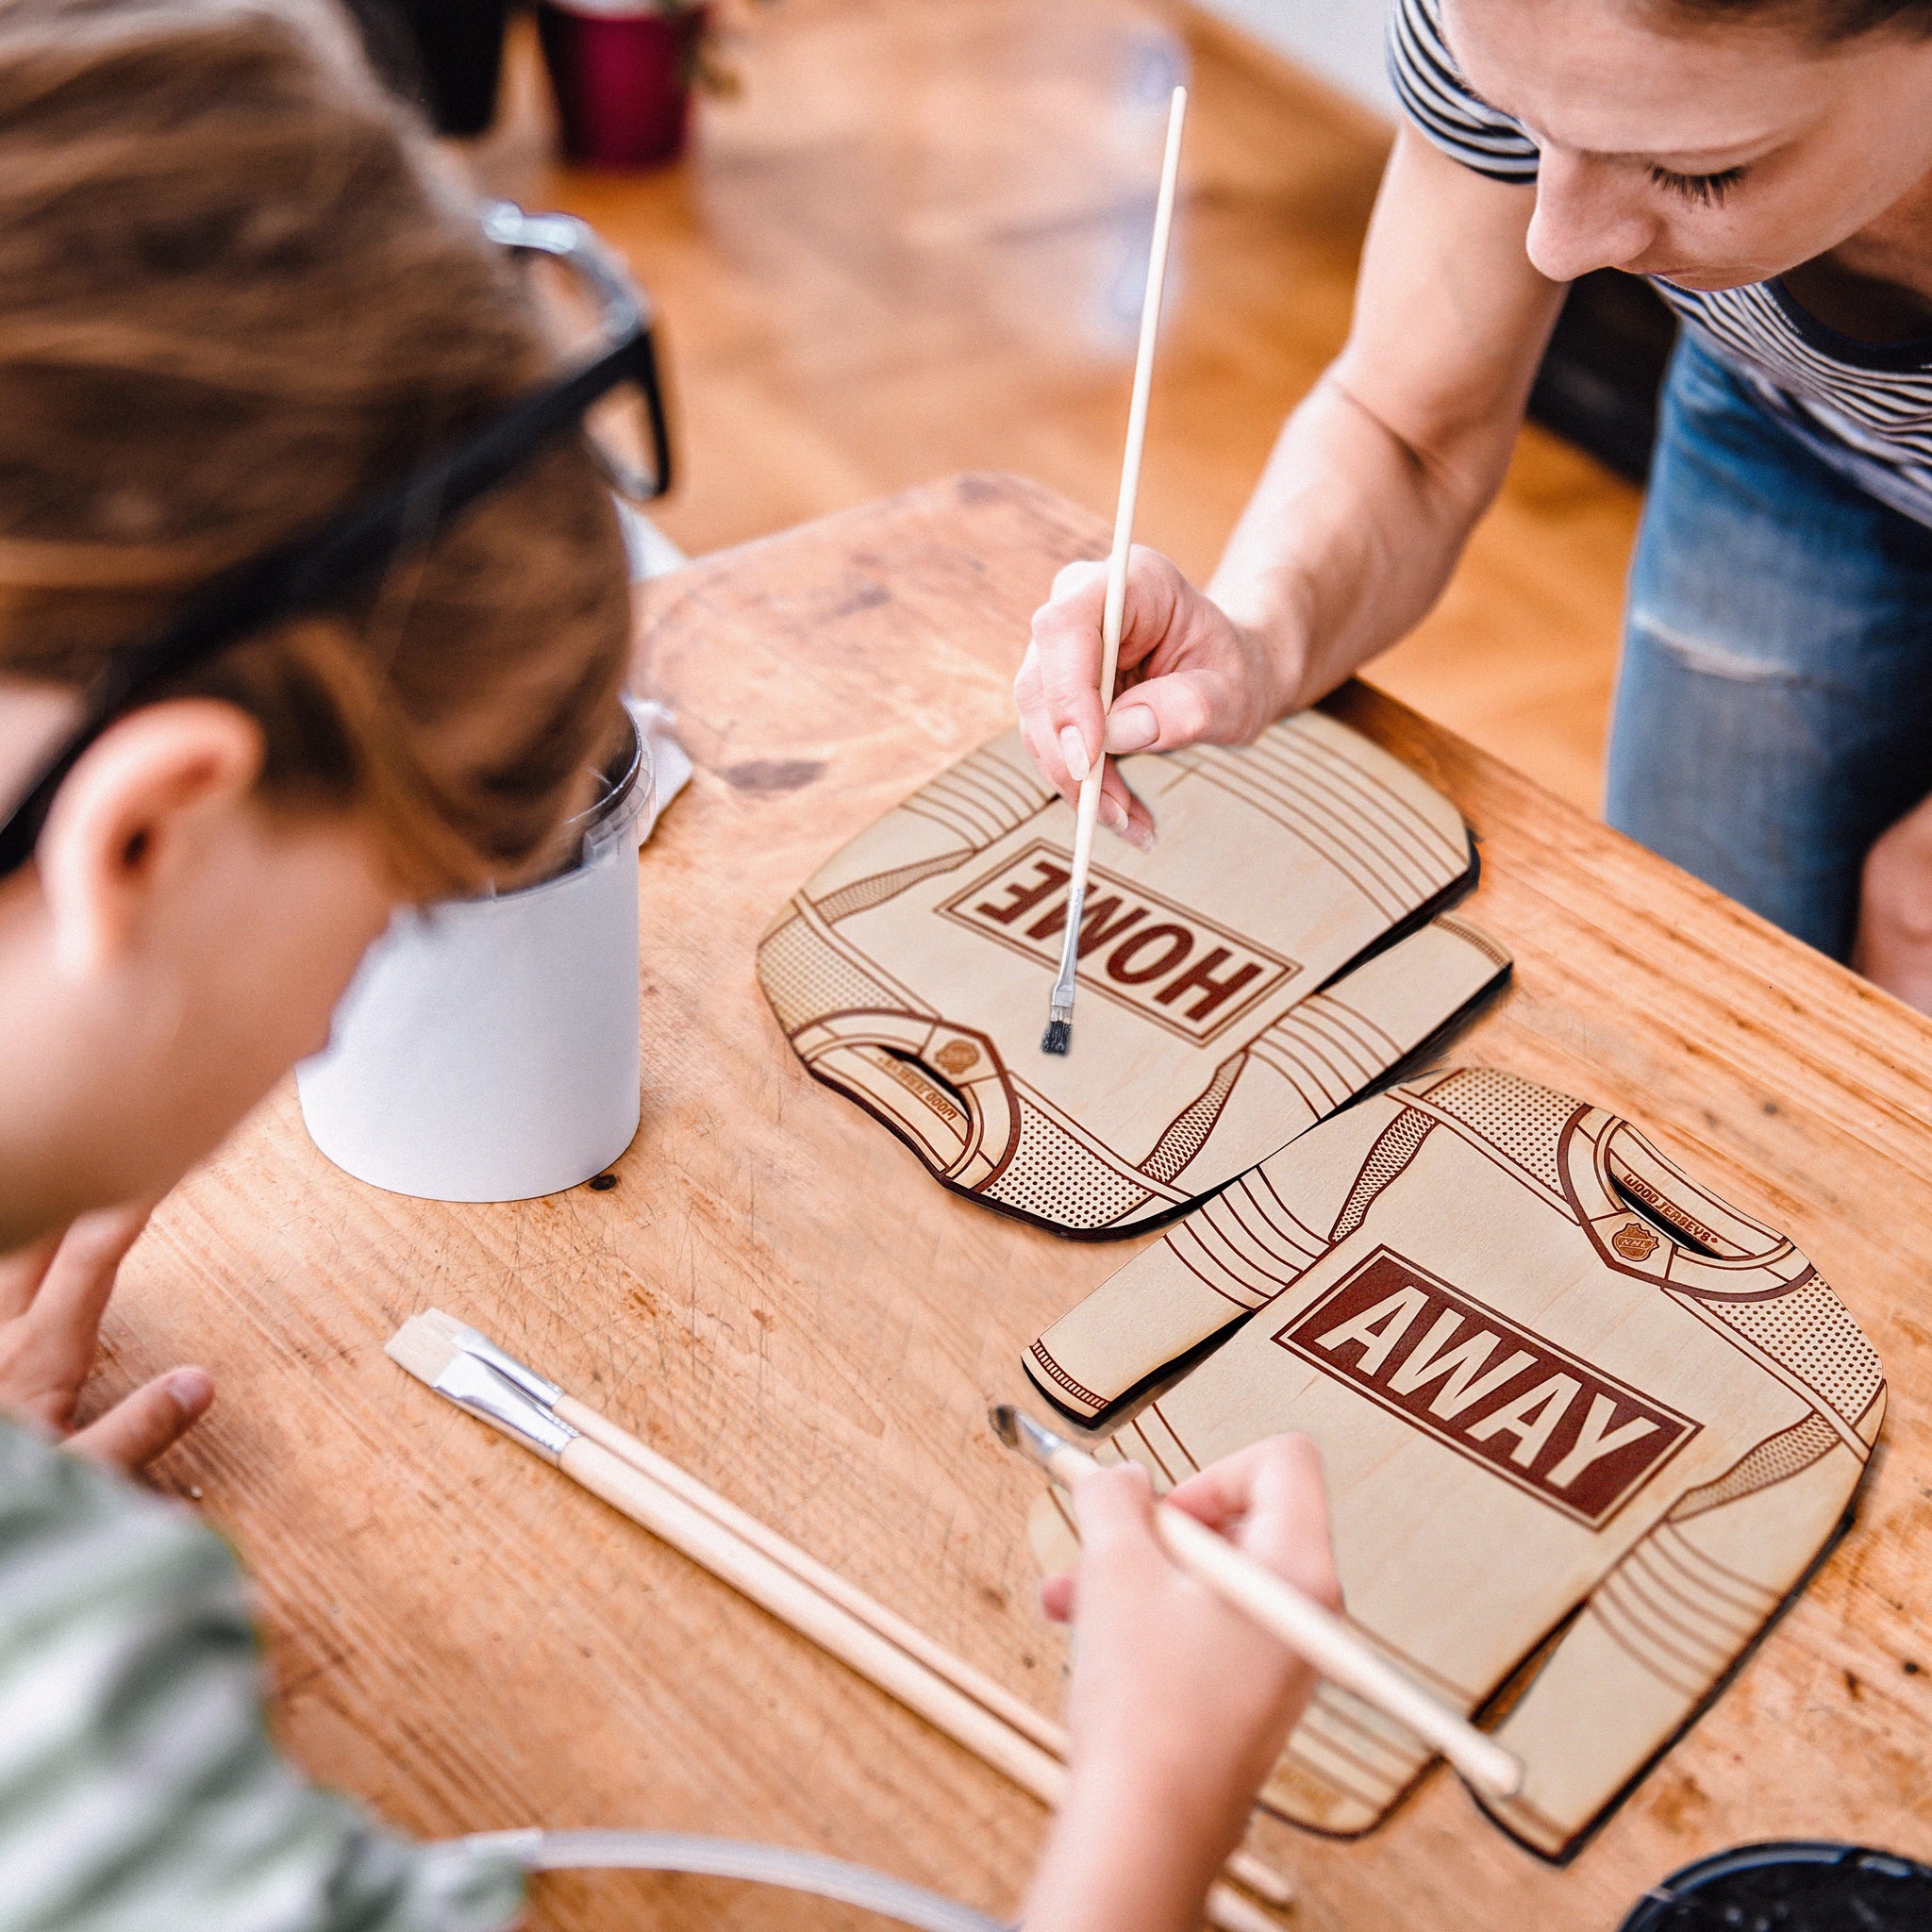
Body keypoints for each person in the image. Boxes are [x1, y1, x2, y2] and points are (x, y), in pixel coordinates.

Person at [0, 4, 1339, 1929]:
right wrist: (1149, 1815)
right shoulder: (80, 1696)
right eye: (385, 912)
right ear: (147, 837)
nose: (335, 1010)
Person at [1015, 0, 1932, 1014]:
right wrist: (1260, 629)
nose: (1554, 241)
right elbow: (1406, 429)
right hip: (1796, 432)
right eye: (1520, 122)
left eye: (1694, 172)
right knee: (1689, 990)